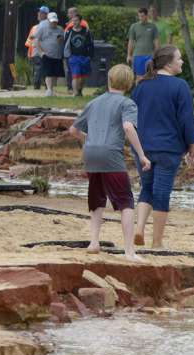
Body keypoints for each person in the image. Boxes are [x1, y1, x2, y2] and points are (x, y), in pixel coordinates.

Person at [69, 64, 151, 261]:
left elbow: (73, 130)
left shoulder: (94, 102)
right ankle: (129, 251)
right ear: (129, 84)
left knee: (97, 197)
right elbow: (128, 127)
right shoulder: (127, 104)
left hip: (90, 153)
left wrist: (90, 139)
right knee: (125, 201)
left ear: (109, 80)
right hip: (111, 154)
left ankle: (94, 242)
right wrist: (141, 155)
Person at [131, 46, 194, 248]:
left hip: (143, 147)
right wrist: (192, 145)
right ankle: (157, 242)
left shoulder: (141, 86)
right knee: (162, 192)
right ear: (169, 63)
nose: (182, 62)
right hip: (168, 147)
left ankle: (139, 228)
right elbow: (186, 119)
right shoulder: (180, 86)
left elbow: (132, 115)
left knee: (147, 188)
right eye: (179, 58)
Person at [34, 11, 65, 96]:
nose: (54, 23)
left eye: (55, 22)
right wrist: (41, 53)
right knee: (48, 73)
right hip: (47, 55)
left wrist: (61, 40)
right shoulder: (42, 28)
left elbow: (62, 40)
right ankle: (49, 90)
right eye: (52, 22)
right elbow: (36, 40)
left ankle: (51, 89)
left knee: (55, 74)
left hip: (58, 55)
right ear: (48, 20)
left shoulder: (60, 29)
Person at [64, 14, 94, 98]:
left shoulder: (86, 31)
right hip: (73, 57)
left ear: (80, 21)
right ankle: (75, 93)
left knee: (83, 77)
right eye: (73, 20)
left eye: (76, 20)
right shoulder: (69, 31)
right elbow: (65, 44)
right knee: (75, 75)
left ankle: (80, 91)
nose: (74, 22)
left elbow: (91, 44)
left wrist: (90, 56)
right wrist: (67, 55)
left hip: (84, 57)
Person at [127, 7, 162, 77]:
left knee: (151, 76)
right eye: (139, 16)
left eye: (142, 16)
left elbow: (157, 42)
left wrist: (156, 55)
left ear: (147, 15)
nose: (140, 18)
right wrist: (129, 55)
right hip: (137, 56)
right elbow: (131, 42)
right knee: (138, 77)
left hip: (150, 56)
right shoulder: (134, 26)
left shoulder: (153, 26)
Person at [24, 7, 48, 89]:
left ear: (46, 15)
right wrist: (29, 53)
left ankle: (46, 86)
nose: (39, 14)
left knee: (45, 69)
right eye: (39, 12)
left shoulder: (49, 26)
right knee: (38, 69)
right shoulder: (34, 28)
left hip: (47, 52)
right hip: (36, 53)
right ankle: (37, 86)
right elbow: (30, 42)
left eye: (41, 13)